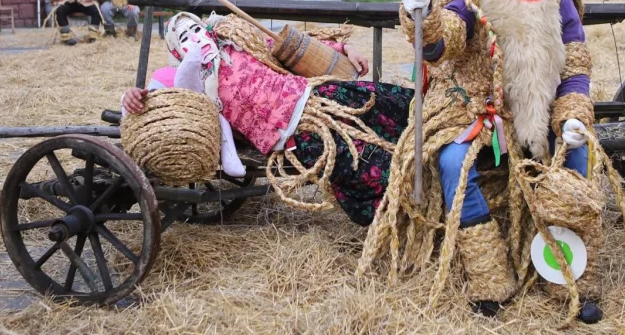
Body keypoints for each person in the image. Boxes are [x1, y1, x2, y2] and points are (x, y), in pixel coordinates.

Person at [358, 0, 603, 322]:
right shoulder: (475, 4)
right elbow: (443, 41)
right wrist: (420, 16)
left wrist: (573, 114)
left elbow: (575, 67)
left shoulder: (561, 8)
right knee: (452, 164)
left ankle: (570, 275)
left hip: (547, 116)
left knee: (576, 162)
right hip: (479, 112)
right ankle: (490, 275)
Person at [121, 12, 414, 226]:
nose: (195, 37)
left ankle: (437, 130)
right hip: (291, 135)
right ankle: (410, 201)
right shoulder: (181, 76)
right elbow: (156, 100)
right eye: (184, 37)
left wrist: (344, 49)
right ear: (176, 50)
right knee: (361, 162)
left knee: (387, 103)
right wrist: (132, 97)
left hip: (312, 95)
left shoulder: (237, 42)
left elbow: (285, 46)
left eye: (196, 28)